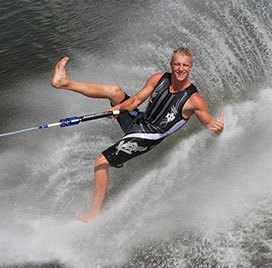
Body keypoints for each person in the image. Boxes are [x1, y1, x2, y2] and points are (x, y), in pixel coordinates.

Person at [51, 47, 224, 223]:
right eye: (177, 64)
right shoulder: (158, 79)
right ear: (171, 65)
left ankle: (93, 213)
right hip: (139, 120)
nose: (181, 68)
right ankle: (64, 82)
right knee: (114, 92)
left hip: (148, 136)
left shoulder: (194, 100)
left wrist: (218, 129)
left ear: (191, 67)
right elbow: (134, 102)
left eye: (185, 65)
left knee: (101, 162)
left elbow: (210, 126)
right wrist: (118, 108)